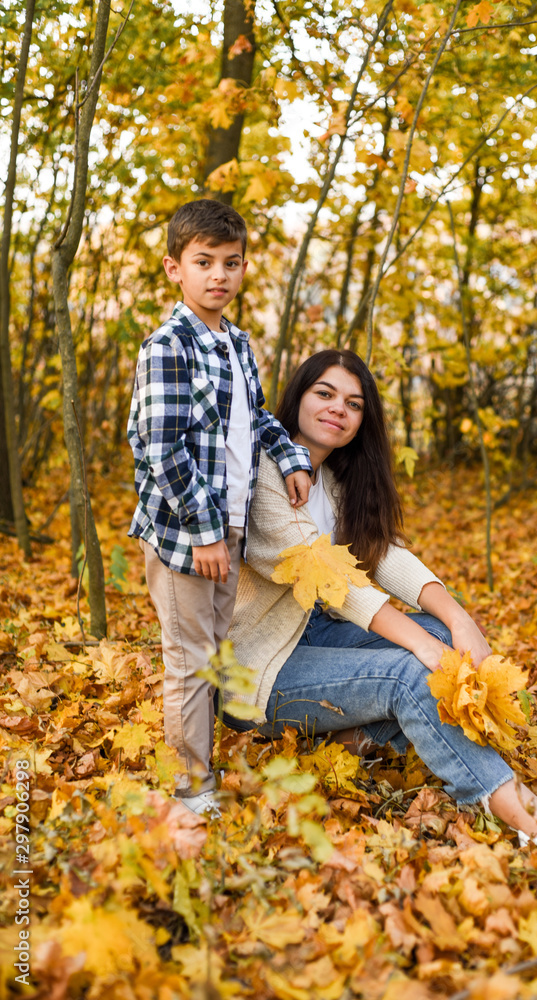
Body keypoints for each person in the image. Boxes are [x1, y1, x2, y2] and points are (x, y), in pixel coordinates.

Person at [225, 349, 537, 854]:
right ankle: (530, 821)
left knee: (442, 636)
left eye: (354, 403)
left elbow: (383, 556)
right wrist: (421, 650)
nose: (338, 408)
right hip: (260, 673)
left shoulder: (337, 481)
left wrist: (457, 618)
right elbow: (333, 580)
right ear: (296, 397)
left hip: (315, 637)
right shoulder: (264, 475)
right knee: (411, 671)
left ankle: (352, 740)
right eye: (324, 393)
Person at [127, 199, 313, 817]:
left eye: (230, 264)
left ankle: (203, 755)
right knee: (189, 656)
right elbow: (159, 447)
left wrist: (290, 459)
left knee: (214, 646)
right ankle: (189, 786)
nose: (219, 276)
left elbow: (254, 418)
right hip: (186, 535)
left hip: (226, 529)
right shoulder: (167, 346)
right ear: (173, 268)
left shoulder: (235, 343)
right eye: (203, 262)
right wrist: (204, 532)